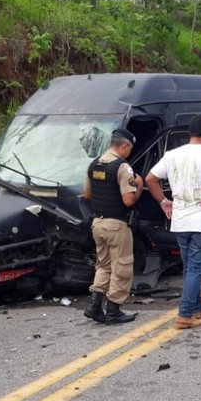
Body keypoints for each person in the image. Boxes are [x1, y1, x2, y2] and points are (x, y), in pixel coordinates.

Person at [145, 115, 201, 330]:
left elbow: (150, 179)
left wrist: (164, 202)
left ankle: (195, 312)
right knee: (195, 270)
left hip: (180, 221)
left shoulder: (172, 155)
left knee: (189, 269)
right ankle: (184, 314)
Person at [81, 129, 143, 325]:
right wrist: (139, 186)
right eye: (129, 149)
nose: (129, 153)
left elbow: (87, 195)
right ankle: (114, 310)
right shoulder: (122, 167)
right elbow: (128, 200)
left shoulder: (94, 164)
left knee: (103, 265)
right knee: (122, 266)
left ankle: (95, 306)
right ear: (124, 145)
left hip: (97, 224)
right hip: (116, 225)